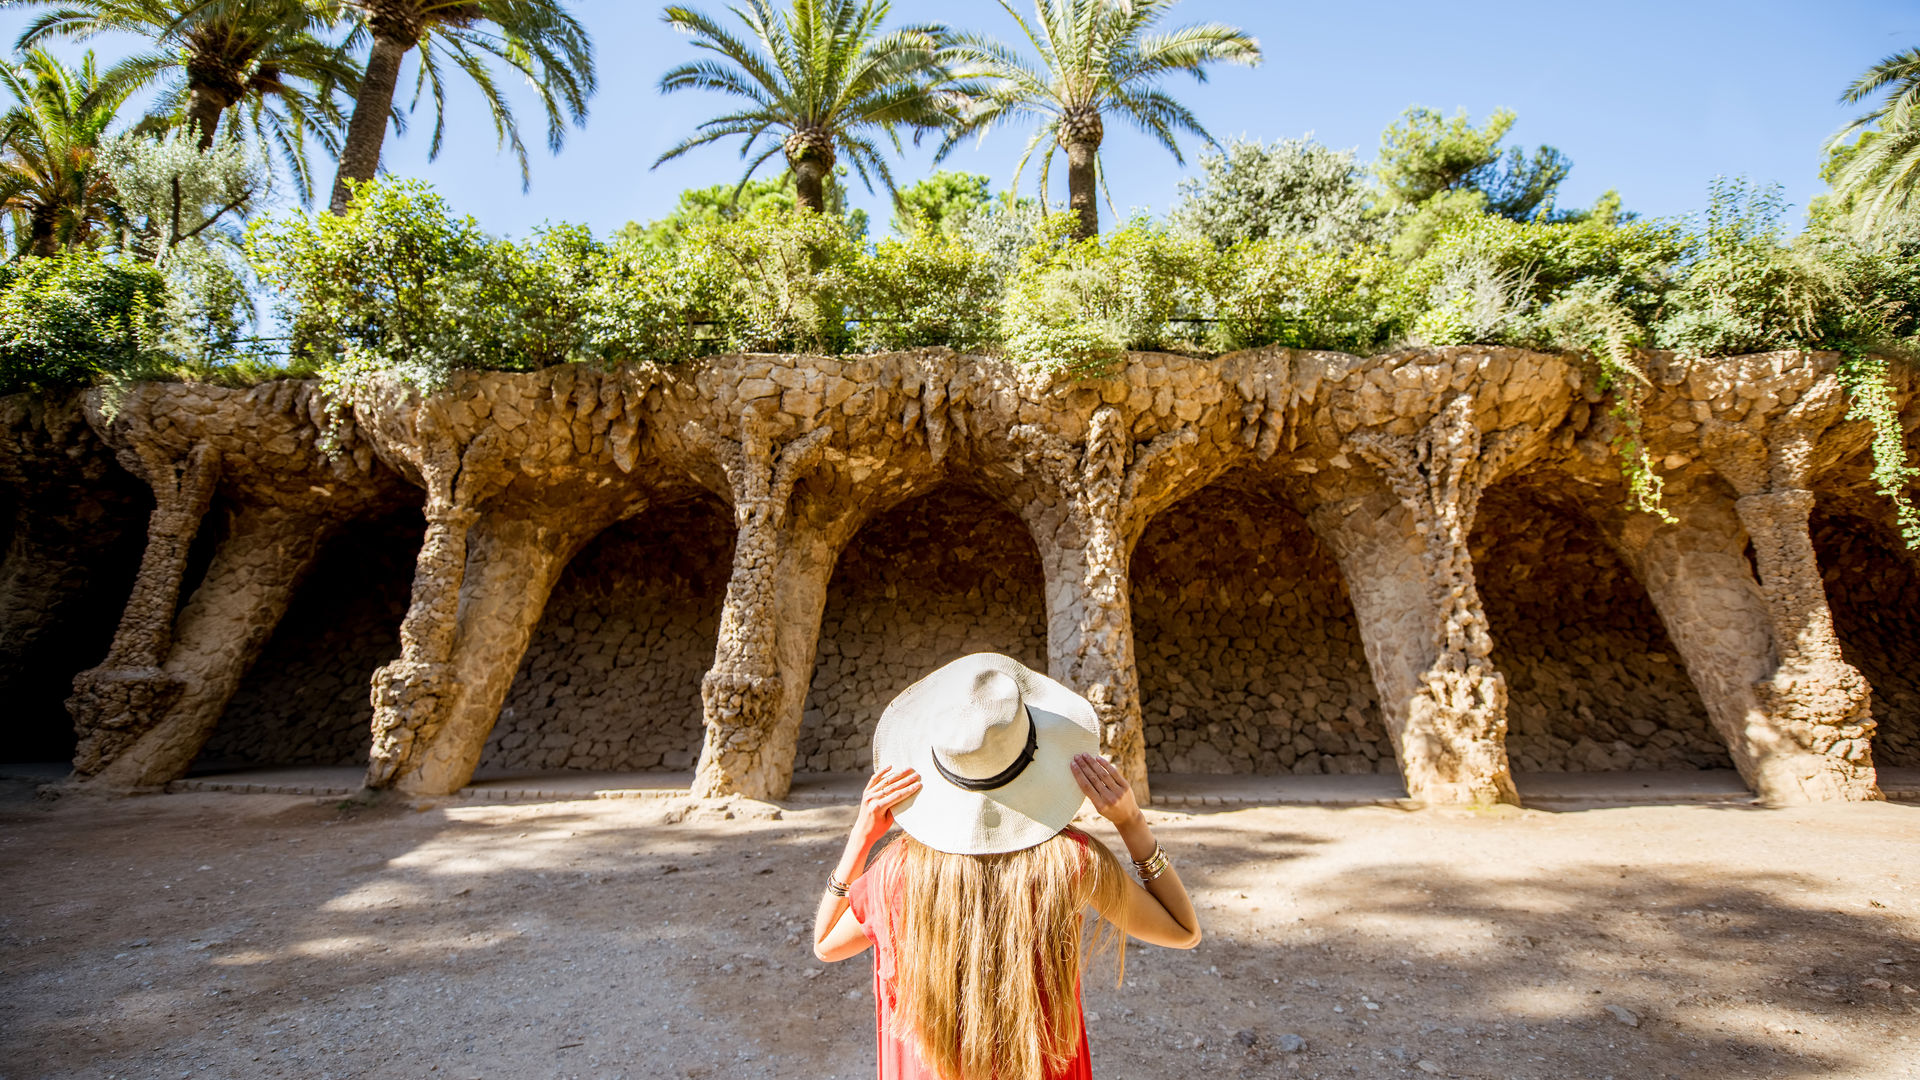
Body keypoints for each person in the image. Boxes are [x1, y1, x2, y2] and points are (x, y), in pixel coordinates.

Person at [812, 653, 1203, 1080]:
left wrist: (860, 838)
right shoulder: (1069, 863)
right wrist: (1131, 822)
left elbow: (826, 944)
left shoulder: (896, 874)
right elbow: (1183, 932)